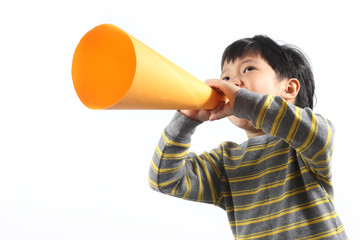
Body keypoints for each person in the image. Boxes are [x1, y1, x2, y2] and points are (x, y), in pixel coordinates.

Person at [148, 35, 347, 239]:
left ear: (288, 89)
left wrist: (244, 101)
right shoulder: (225, 162)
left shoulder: (304, 141)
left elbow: (315, 132)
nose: (233, 82)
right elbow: (164, 179)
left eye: (248, 69)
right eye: (225, 78)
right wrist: (185, 120)